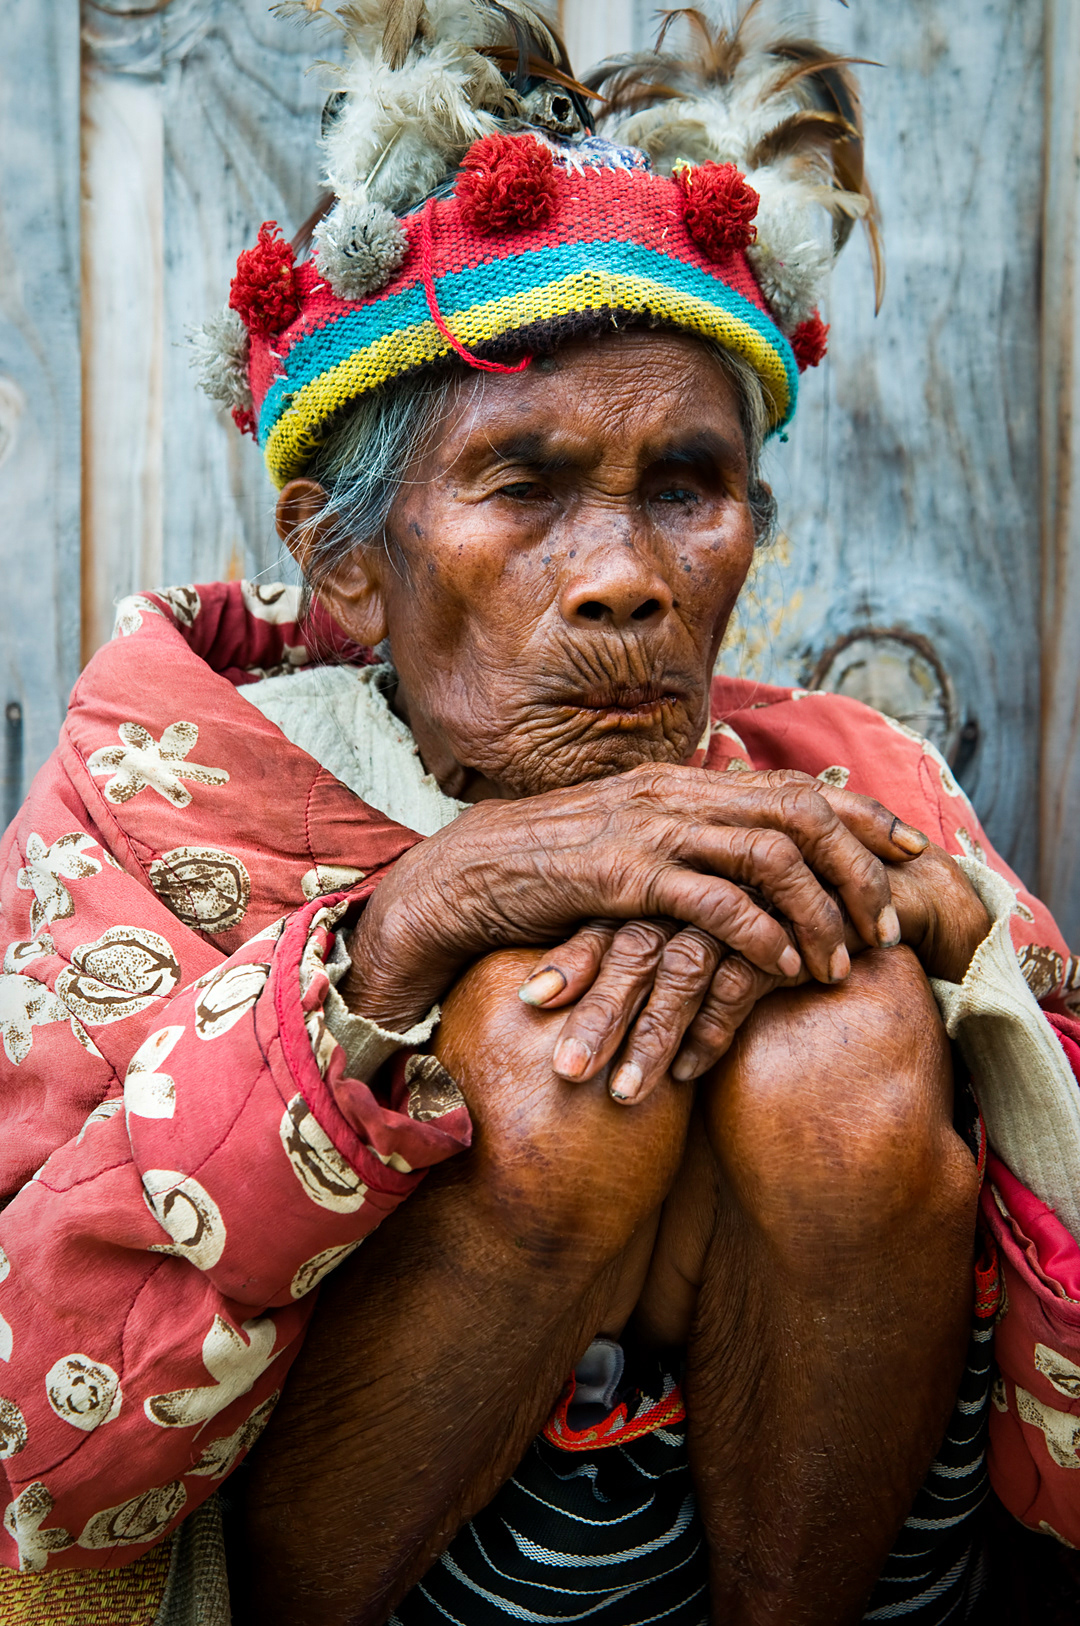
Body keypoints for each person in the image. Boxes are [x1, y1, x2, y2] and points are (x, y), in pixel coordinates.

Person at [1, 5, 1079, 1625]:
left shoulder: (858, 781)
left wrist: (961, 955)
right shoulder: (163, 791)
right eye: (524, 485)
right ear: (348, 556)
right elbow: (28, 1410)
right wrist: (406, 932)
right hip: (359, 1554)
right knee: (548, 1062)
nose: (631, 575)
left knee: (846, 1037)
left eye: (685, 489)